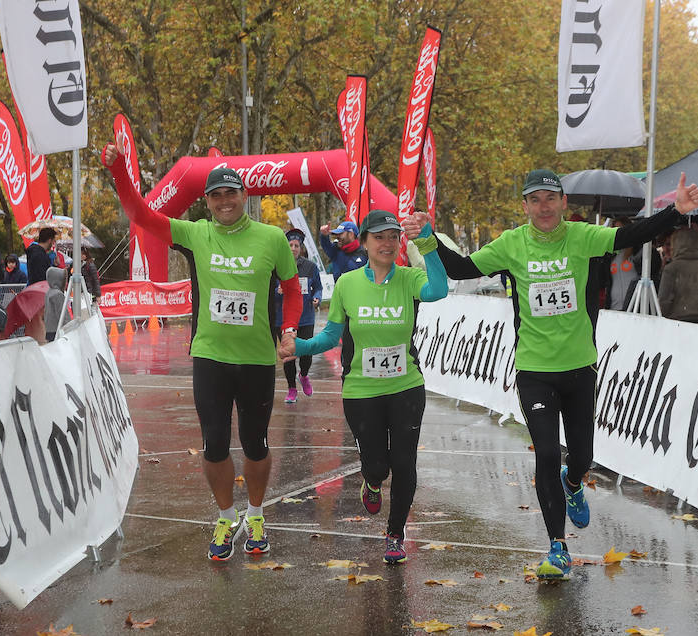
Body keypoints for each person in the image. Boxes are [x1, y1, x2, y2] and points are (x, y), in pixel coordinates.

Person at [434, 169, 698, 580]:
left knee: (581, 456)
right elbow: (459, 269)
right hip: (534, 370)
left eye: (550, 198)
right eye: (534, 200)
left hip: (579, 366)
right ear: (525, 207)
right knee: (544, 452)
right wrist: (426, 239)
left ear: (563, 203)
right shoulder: (511, 244)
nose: (543, 207)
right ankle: (557, 546)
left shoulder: (582, 237)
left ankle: (574, 481)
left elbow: (632, 235)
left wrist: (675, 212)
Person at [102, 141, 302, 562]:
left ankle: (257, 514)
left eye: (232, 193)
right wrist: (120, 170)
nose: (225, 201)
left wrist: (287, 330)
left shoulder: (270, 238)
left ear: (244, 197)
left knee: (255, 443)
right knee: (213, 443)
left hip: (256, 359)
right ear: (207, 201)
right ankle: (227, 517)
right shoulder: (195, 232)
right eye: (216, 195)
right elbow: (140, 215)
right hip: (210, 356)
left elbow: (291, 287)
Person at [279, 209, 447, 564]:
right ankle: (371, 481)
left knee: (404, 463)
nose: (387, 243)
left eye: (393, 237)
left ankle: (395, 534)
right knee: (377, 466)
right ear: (366, 242)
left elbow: (439, 289)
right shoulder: (348, 284)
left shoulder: (410, 278)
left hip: (406, 386)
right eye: (379, 237)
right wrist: (300, 348)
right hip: (361, 391)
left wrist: (428, 239)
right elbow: (331, 335)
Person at [273, 228, 323, 404]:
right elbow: (267, 290)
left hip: (306, 317)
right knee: (288, 356)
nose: (293, 248)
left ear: (301, 248)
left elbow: (318, 286)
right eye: (290, 245)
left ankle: (304, 375)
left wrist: (317, 297)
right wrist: (276, 291)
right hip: (284, 318)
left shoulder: (310, 267)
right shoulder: (276, 266)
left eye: (296, 245)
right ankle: (291, 388)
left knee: (306, 353)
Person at [44, 266, 71, 342]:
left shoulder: (49, 292)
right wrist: (70, 328)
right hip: (57, 329)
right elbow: (62, 314)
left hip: (50, 329)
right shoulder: (57, 294)